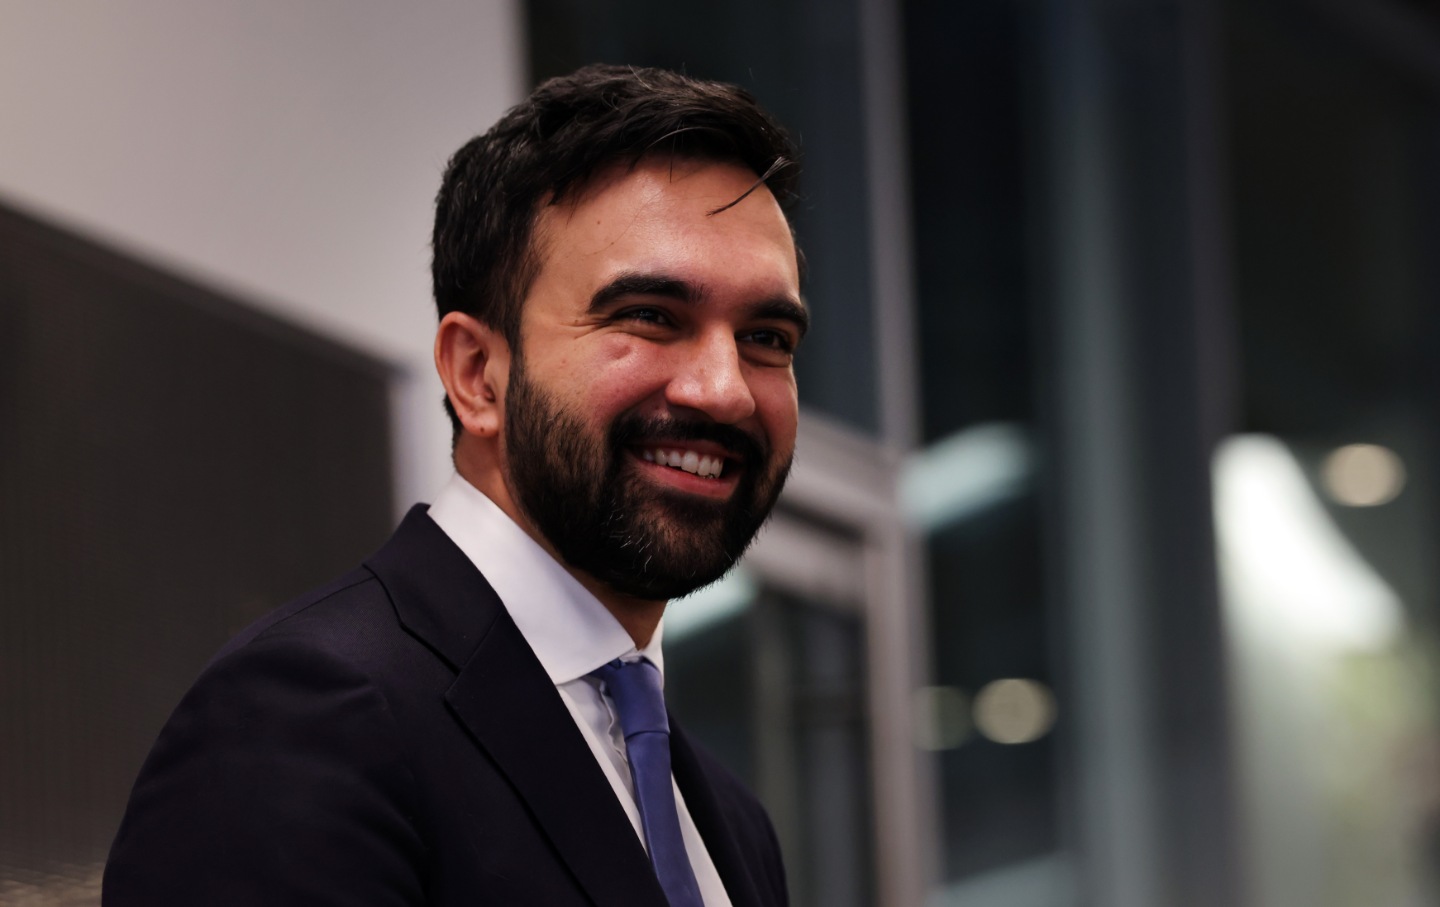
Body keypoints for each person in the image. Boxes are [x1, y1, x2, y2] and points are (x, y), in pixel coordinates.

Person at [103, 64, 806, 907]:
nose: (725, 390)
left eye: (767, 337)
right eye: (650, 316)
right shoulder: (305, 720)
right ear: (477, 374)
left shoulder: (734, 827)